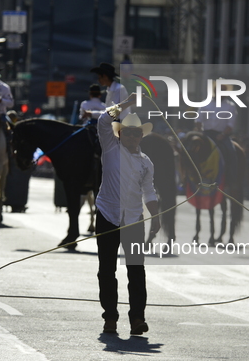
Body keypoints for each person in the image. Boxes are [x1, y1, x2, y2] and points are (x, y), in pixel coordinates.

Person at [95, 98, 160, 335]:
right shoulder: (110, 148)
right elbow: (103, 120)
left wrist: (156, 216)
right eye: (128, 133)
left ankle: (137, 319)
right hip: (107, 215)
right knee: (106, 270)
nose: (132, 137)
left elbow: (149, 192)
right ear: (120, 134)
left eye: (136, 134)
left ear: (141, 137)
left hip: (133, 220)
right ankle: (110, 317)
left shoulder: (146, 163)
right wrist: (126, 103)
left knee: (136, 270)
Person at [195, 81, 238, 190]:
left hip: (221, 135)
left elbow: (230, 124)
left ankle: (231, 179)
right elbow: (199, 120)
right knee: (192, 149)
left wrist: (223, 134)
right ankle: (191, 178)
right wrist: (200, 132)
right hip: (206, 134)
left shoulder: (230, 106)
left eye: (223, 90)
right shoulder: (205, 104)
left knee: (231, 151)